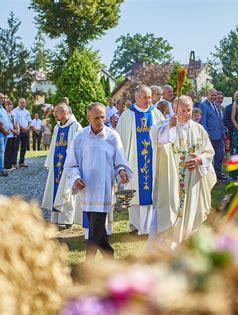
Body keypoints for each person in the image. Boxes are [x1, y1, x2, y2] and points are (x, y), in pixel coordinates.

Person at [65, 102, 132, 260]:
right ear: (88, 118)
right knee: (98, 229)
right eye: (96, 118)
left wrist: (122, 172)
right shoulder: (80, 137)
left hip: (103, 190)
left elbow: (120, 162)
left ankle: (88, 264)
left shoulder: (112, 136)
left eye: (103, 117)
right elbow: (71, 164)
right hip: (87, 189)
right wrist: (75, 178)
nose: (100, 121)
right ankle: (109, 256)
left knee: (95, 229)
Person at [149, 95, 216, 248]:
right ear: (174, 110)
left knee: (192, 214)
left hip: (193, 181)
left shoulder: (199, 129)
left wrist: (200, 159)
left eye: (189, 110)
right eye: (183, 110)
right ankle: (164, 248)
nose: (187, 113)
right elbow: (156, 138)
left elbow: (208, 151)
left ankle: (187, 245)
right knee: (168, 213)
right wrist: (169, 127)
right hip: (171, 180)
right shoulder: (164, 125)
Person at [116, 85, 165, 235]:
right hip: (134, 162)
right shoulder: (127, 116)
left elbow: (164, 138)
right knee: (135, 191)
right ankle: (136, 225)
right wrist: (121, 165)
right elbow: (120, 142)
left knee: (152, 191)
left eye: (149, 97)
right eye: (144, 97)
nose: (148, 100)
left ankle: (151, 225)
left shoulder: (156, 114)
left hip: (153, 162)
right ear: (136, 98)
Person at [42, 103, 82, 227]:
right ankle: (56, 218)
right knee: (57, 189)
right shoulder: (57, 127)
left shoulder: (76, 126)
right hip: (57, 163)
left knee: (67, 190)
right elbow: (54, 145)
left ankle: (67, 220)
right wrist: (50, 162)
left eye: (57, 113)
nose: (55, 115)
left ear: (64, 113)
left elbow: (79, 148)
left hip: (69, 164)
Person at [199, 88, 226, 181]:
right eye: (212, 95)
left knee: (220, 156)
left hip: (219, 136)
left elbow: (219, 120)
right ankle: (209, 178)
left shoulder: (216, 105)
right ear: (208, 95)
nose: (214, 97)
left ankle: (218, 174)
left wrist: (223, 132)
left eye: (215, 95)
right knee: (209, 158)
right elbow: (202, 122)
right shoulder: (203, 105)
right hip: (210, 136)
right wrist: (206, 135)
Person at [0, 92, 12, 176]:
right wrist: (4, 131)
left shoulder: (2, 108)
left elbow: (6, 120)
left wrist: (8, 130)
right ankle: (1, 169)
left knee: (0, 151)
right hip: (0, 132)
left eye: (3, 98)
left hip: (5, 133)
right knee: (1, 151)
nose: (2, 99)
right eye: (1, 98)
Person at [12, 98, 31, 168]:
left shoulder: (27, 112)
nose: (23, 104)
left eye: (24, 102)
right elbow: (15, 121)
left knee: (24, 147)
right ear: (18, 103)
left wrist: (27, 128)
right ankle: (14, 162)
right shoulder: (15, 111)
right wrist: (22, 128)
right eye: (21, 102)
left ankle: (21, 162)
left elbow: (29, 122)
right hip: (18, 131)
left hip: (26, 132)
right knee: (16, 147)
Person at [4, 100, 19, 170]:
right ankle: (7, 166)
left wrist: (18, 130)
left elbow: (16, 122)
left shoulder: (13, 113)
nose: (9, 106)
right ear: (5, 106)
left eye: (11, 105)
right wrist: (14, 131)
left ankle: (11, 164)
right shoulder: (5, 113)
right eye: (8, 105)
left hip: (14, 135)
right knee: (8, 151)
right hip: (9, 134)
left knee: (13, 150)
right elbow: (7, 125)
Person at [223, 91, 238, 155]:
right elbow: (226, 120)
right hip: (232, 131)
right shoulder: (228, 107)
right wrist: (233, 128)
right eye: (236, 96)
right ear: (233, 97)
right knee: (233, 149)